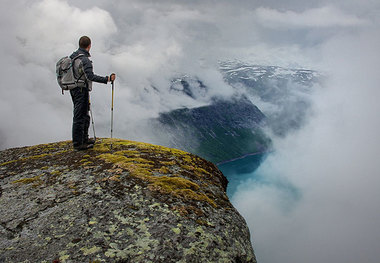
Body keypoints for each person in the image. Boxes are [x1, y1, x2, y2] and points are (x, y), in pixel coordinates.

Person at [70, 36, 116, 150]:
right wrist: (108, 79)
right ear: (89, 46)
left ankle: (83, 139)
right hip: (81, 90)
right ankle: (78, 144)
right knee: (80, 116)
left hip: (75, 89)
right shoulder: (84, 60)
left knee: (83, 115)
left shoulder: (73, 56)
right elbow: (90, 76)